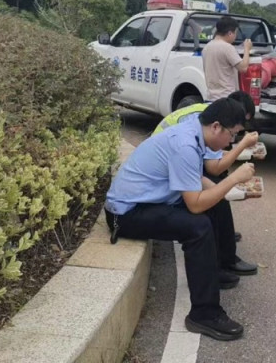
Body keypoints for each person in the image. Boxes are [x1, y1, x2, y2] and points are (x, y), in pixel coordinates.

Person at [104, 98, 256, 340]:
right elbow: (195, 205)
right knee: (198, 226)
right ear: (216, 126)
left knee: (216, 204)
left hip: (148, 201)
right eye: (233, 135)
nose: (232, 142)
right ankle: (203, 315)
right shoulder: (185, 144)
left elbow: (198, 180)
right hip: (126, 213)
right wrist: (233, 179)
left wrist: (232, 191)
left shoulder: (194, 133)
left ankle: (213, 271)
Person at [152, 91, 259, 276]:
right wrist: (236, 168)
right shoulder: (201, 131)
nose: (234, 139)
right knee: (211, 203)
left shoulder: (206, 116)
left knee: (217, 191)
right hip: (161, 177)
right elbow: (213, 169)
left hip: (165, 167)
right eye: (234, 132)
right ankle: (222, 262)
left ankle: (221, 252)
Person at [202, 16, 252, 100]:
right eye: (235, 33)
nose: (235, 36)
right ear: (230, 33)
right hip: (226, 97)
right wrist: (247, 49)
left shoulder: (206, 48)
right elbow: (243, 68)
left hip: (211, 97)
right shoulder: (227, 48)